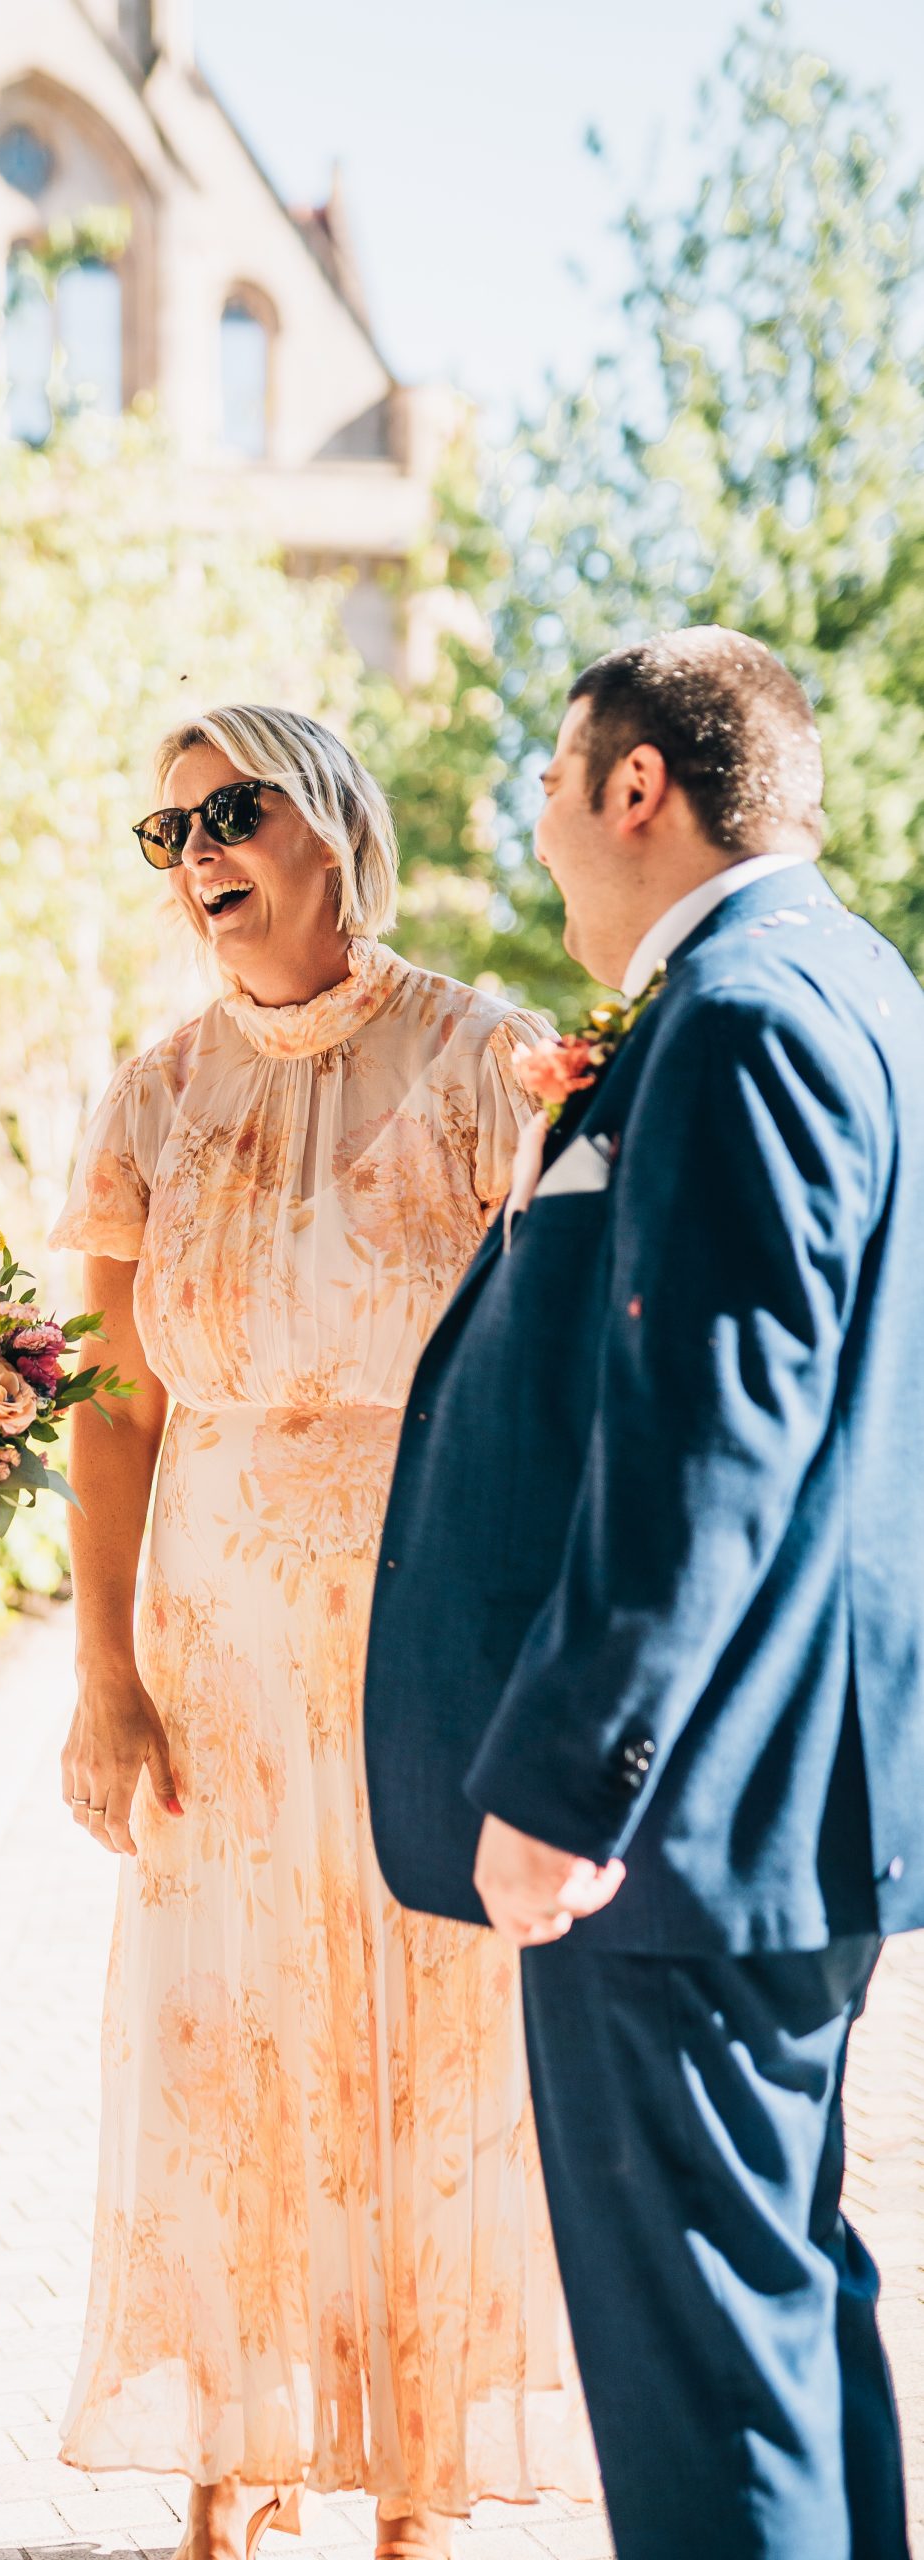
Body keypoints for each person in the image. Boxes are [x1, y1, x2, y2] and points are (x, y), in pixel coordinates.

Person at [364, 628, 924, 2560]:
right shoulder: (864, 987)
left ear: (638, 788)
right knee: (777, 2302)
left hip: (684, 1812)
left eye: (544, 777)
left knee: (701, 2367)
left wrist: (569, 1780)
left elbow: (719, 1427)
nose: (528, 818)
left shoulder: (747, 1012)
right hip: (789, 1797)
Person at [51, 706, 594, 2560]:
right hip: (210, 1651)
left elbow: (564, 1372)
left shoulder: (486, 1059)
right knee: (222, 2042)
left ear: (335, 824)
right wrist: (102, 1676)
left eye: (233, 808)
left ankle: (425, 2480)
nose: (198, 849)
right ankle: (238, 2448)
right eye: (167, 828)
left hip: (423, 1622)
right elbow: (114, 1406)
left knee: (430, 2036)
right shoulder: (147, 1092)